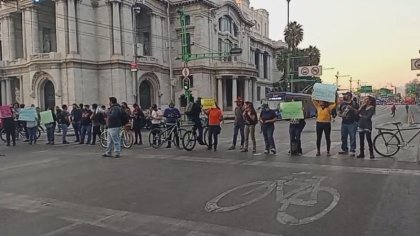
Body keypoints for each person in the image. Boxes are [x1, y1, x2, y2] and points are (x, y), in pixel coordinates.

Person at [337, 92, 359, 157]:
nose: (344, 96)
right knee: (343, 137)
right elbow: (338, 111)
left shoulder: (354, 103)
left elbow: (357, 112)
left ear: (349, 96)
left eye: (346, 95)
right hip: (344, 123)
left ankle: (352, 150)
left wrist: (352, 108)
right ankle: (344, 149)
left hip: (352, 122)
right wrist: (341, 115)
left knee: (352, 137)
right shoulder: (342, 103)